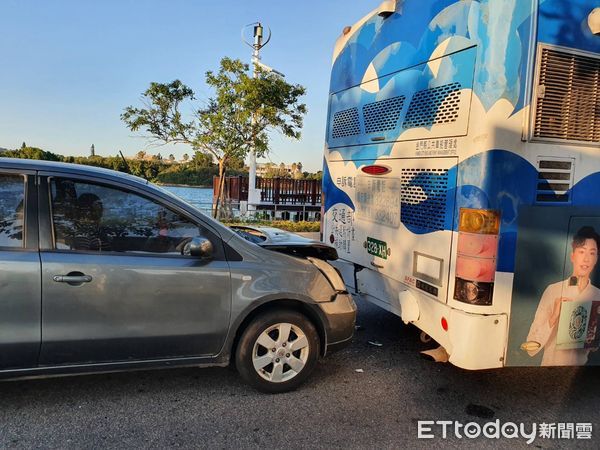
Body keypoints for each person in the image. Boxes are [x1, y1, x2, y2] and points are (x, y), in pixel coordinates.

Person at [523, 226, 600, 366]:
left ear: (596, 259)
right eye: (582, 252)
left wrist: (595, 338)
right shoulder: (553, 291)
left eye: (592, 253)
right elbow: (530, 347)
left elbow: (594, 346)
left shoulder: (597, 295)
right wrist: (553, 317)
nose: (586, 259)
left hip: (581, 375)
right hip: (550, 371)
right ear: (572, 256)